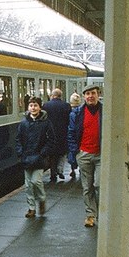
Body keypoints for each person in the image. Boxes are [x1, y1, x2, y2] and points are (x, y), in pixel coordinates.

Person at [67, 84, 102, 228]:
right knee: (87, 187)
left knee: (99, 185)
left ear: (98, 94)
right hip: (84, 154)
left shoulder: (105, 111)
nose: (90, 96)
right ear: (84, 97)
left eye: (93, 93)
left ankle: (102, 213)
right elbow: (71, 133)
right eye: (87, 94)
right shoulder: (76, 113)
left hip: (101, 155)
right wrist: (76, 151)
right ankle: (90, 215)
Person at [15, 96, 54, 218]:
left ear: (40, 107)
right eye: (31, 105)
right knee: (28, 185)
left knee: (36, 181)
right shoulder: (23, 123)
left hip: (39, 157)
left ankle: (41, 199)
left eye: (35, 105)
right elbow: (18, 139)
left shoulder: (46, 122)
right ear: (28, 107)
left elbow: (51, 140)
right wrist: (20, 152)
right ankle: (31, 208)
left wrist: (43, 153)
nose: (33, 108)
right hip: (27, 157)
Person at [42, 88, 71, 182]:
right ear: (60, 96)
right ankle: (60, 170)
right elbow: (69, 120)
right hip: (63, 133)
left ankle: (52, 174)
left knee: (52, 155)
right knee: (62, 153)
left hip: (50, 134)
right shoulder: (66, 105)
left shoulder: (46, 105)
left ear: (52, 95)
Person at [67, 92, 82, 178]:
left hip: (74, 136)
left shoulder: (72, 113)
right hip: (81, 136)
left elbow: (71, 128)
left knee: (73, 154)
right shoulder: (82, 111)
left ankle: (72, 169)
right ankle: (80, 169)